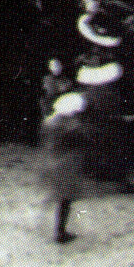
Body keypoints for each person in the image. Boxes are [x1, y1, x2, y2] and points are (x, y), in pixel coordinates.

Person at [38, 91, 89, 244]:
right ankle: (60, 232)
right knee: (65, 201)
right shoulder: (70, 127)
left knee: (60, 198)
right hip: (65, 166)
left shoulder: (50, 122)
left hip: (52, 162)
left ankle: (56, 228)